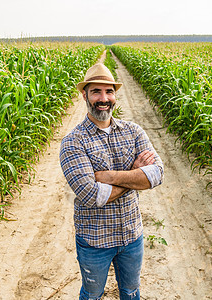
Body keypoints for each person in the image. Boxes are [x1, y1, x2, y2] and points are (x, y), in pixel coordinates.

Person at [59, 63, 164, 300]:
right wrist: (135, 175)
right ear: (84, 94)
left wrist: (109, 177)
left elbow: (157, 174)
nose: (103, 98)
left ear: (115, 96)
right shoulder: (73, 142)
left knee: (131, 291)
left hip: (131, 235)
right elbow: (92, 195)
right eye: (96, 91)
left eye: (109, 92)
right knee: (93, 293)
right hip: (95, 240)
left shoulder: (133, 131)